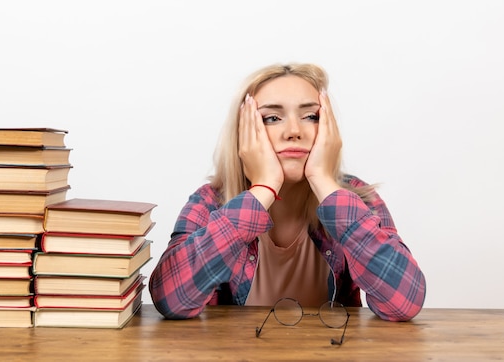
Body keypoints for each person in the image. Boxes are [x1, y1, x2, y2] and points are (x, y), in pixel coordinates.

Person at [149, 63, 426, 322]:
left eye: (310, 116)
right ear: (243, 132)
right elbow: (171, 300)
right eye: (272, 118)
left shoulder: (357, 198)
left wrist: (323, 181)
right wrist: (264, 188)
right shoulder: (210, 202)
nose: (294, 131)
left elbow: (404, 304)